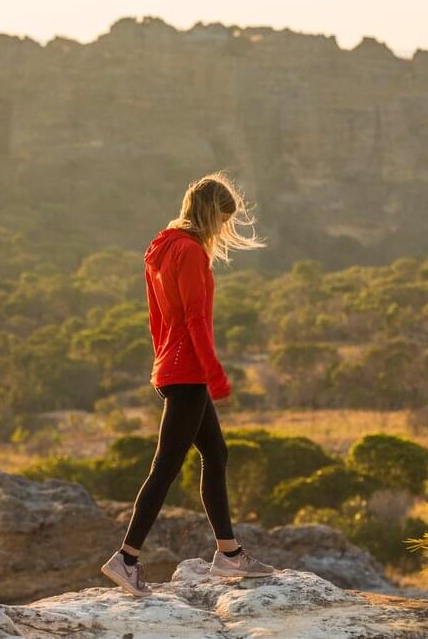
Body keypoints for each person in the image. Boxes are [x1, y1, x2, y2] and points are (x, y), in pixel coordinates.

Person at [101, 171, 271, 597]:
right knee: (166, 468)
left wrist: (163, 364)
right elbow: (195, 318)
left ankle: (229, 555)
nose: (223, 228)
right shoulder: (191, 252)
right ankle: (126, 558)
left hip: (172, 366)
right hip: (188, 371)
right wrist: (213, 372)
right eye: (223, 218)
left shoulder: (159, 248)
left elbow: (157, 318)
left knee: (215, 454)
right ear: (211, 213)